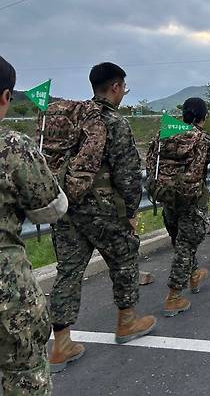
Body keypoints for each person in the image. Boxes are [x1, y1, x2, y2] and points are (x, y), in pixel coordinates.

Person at [48, 62, 156, 372]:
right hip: (103, 209)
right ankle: (127, 322)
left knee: (68, 271)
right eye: (124, 88)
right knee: (124, 259)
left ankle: (61, 344)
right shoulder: (113, 122)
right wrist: (132, 210)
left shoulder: (73, 117)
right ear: (116, 87)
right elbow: (128, 172)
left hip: (68, 207)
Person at [0, 56, 69, 395]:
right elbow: (50, 208)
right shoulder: (12, 146)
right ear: (5, 97)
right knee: (24, 376)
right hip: (7, 289)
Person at [146, 98, 210, 317]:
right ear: (203, 116)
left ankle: (194, 275)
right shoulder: (205, 140)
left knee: (180, 242)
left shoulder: (162, 135)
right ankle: (173, 297)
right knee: (186, 246)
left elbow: (150, 164)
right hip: (192, 201)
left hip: (167, 199)